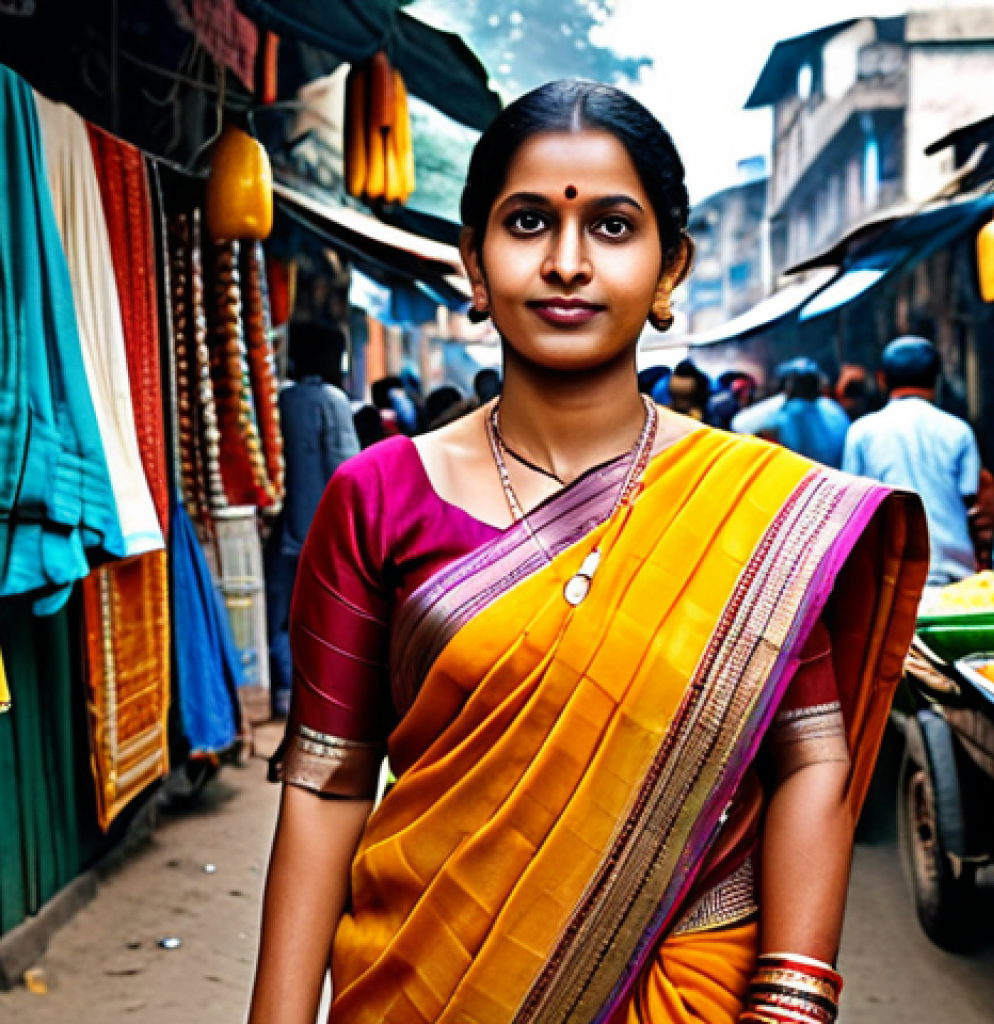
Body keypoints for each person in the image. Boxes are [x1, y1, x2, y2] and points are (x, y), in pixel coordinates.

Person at [249, 81, 927, 1024]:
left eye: (612, 227)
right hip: (427, 986)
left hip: (689, 996)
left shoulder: (754, 511)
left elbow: (813, 757)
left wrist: (791, 1000)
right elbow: (326, 790)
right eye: (527, 222)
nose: (567, 262)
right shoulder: (377, 500)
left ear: (668, 269)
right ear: (475, 266)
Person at [263, 322, 360, 717]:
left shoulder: (281, 400)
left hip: (282, 528)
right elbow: (348, 468)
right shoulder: (332, 401)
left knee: (280, 612)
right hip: (322, 531)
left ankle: (284, 689)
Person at [843, 335, 980, 585]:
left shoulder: (862, 432)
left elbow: (853, 509)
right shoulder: (958, 430)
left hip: (891, 580)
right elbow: (971, 501)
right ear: (936, 378)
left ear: (882, 378)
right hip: (955, 575)